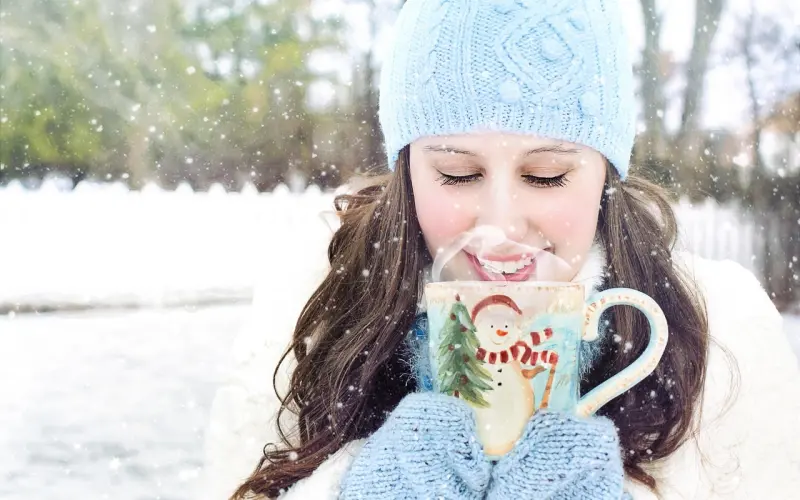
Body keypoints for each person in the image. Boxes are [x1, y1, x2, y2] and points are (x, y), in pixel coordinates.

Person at [203, 0, 800, 498]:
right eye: (458, 174)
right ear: (407, 173)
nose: (501, 223)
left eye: (546, 177)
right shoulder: (316, 310)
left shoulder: (720, 341)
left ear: (605, 177)